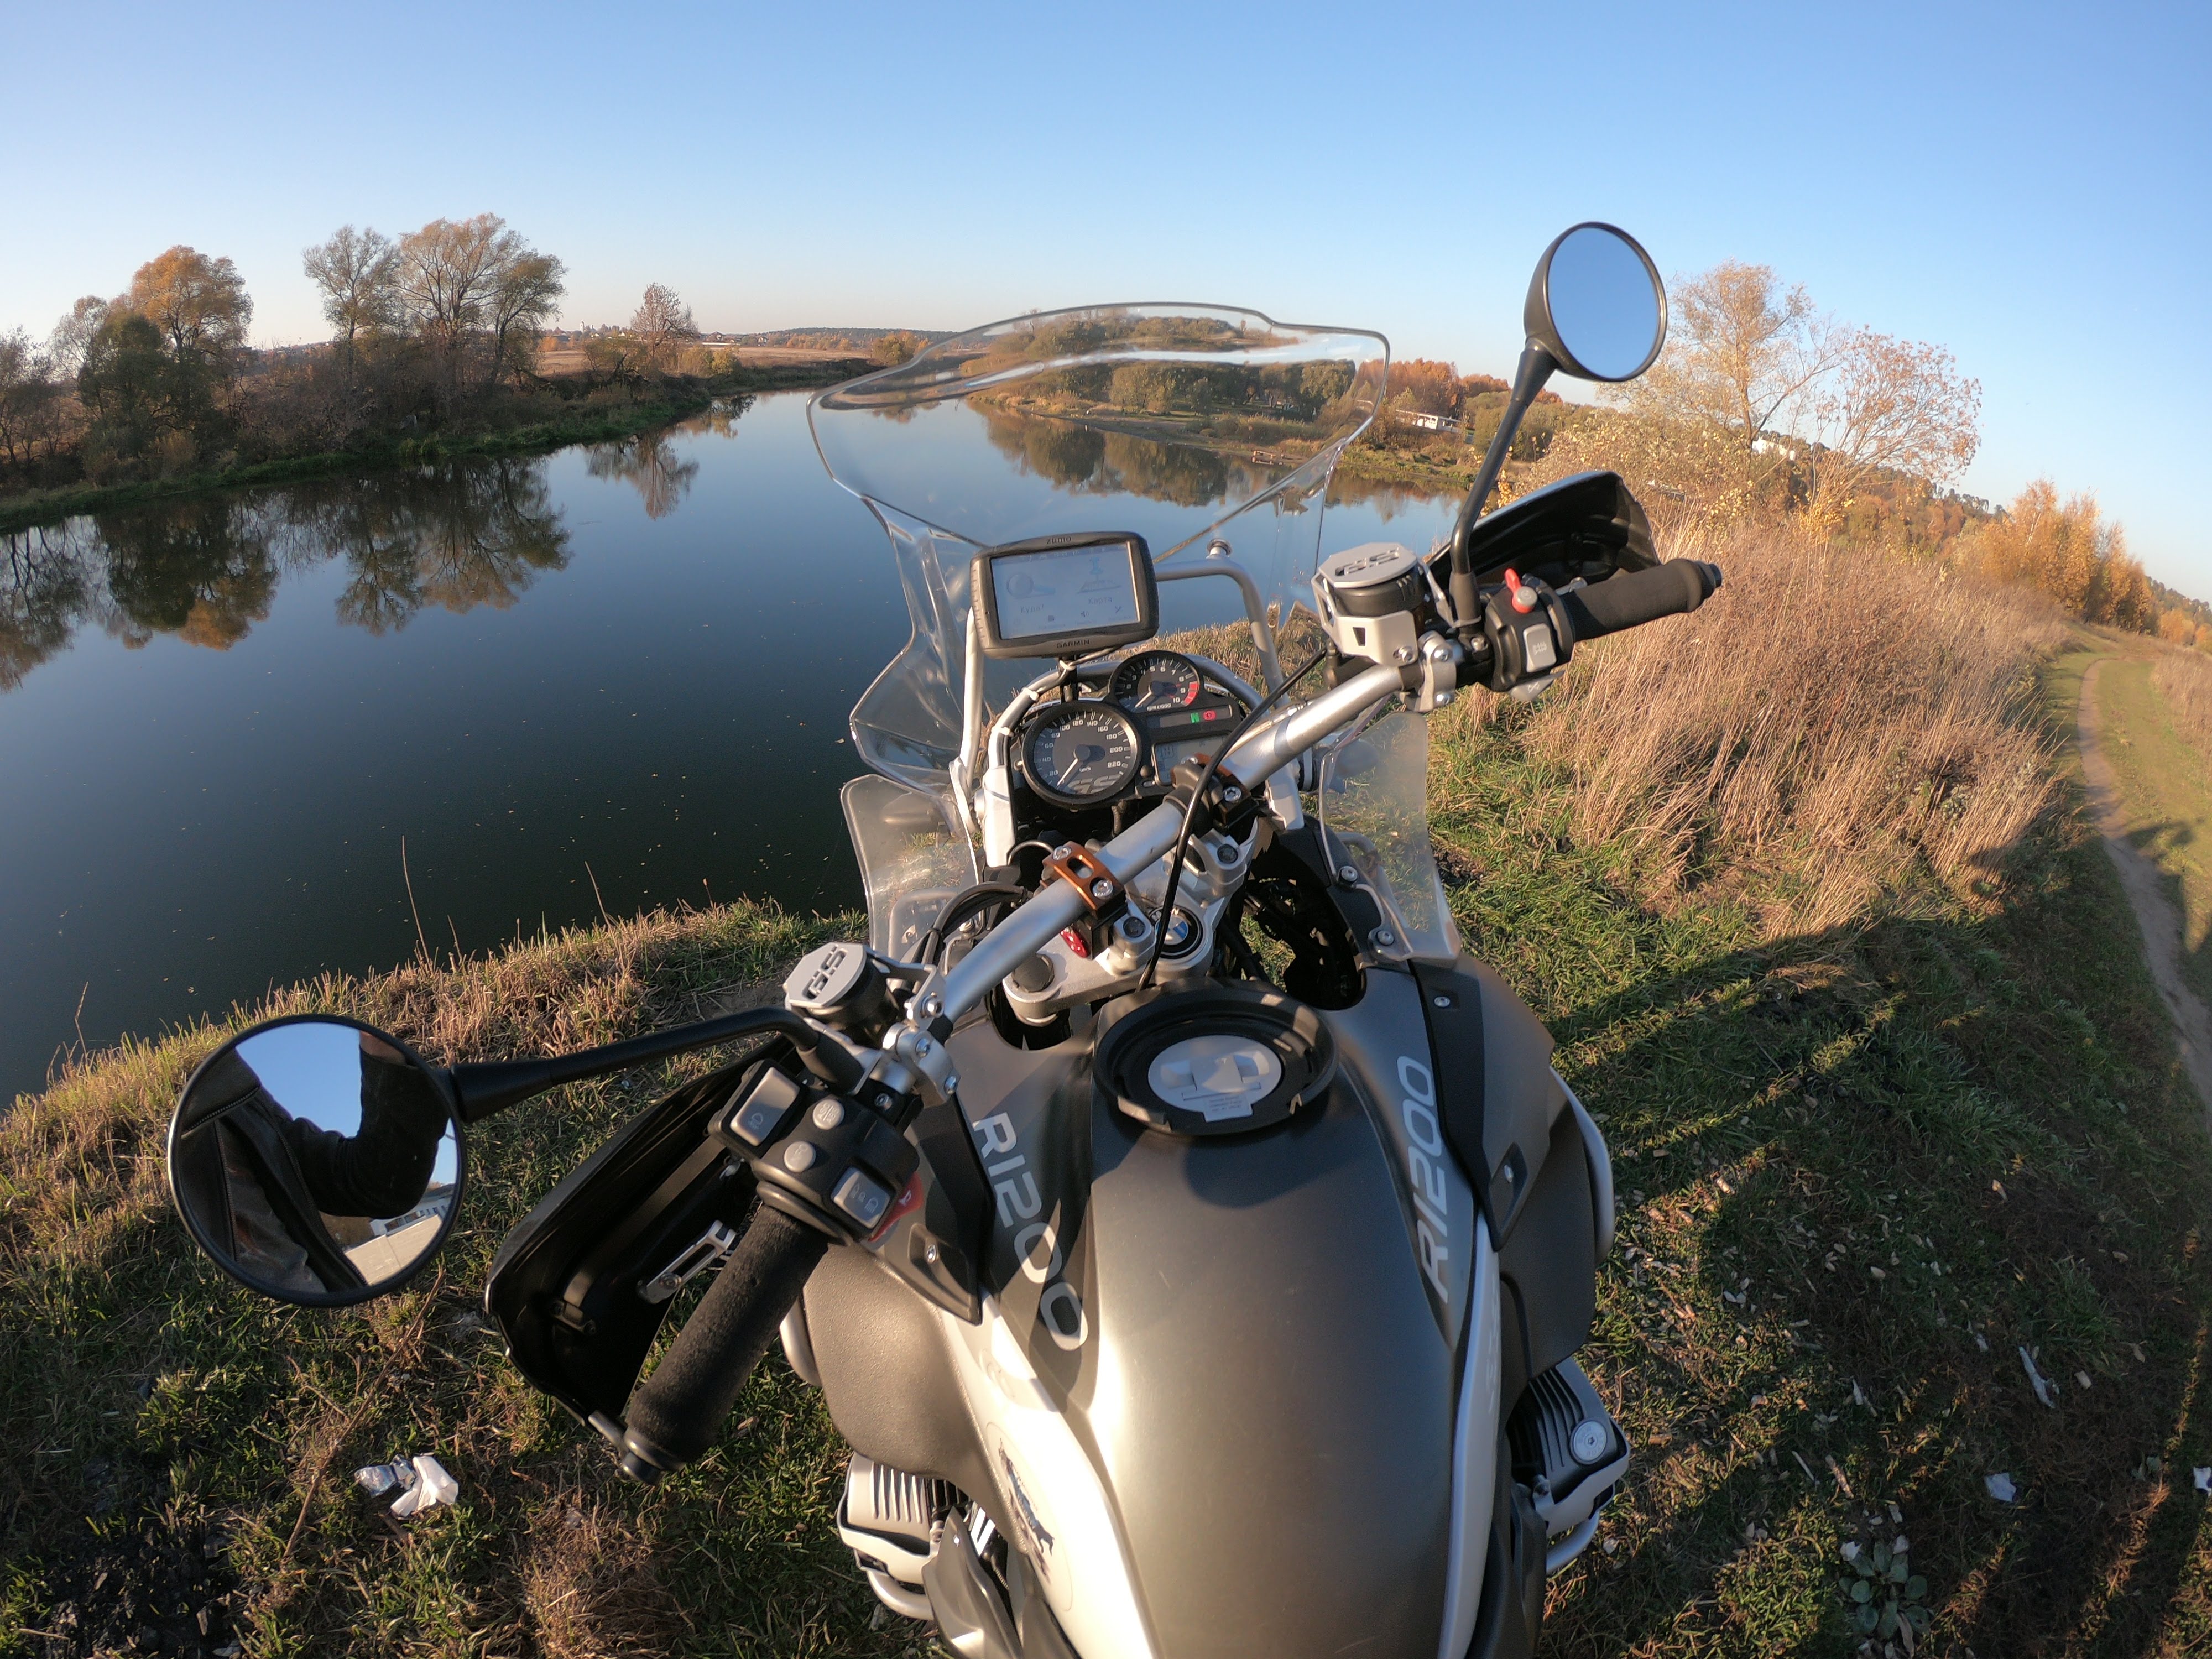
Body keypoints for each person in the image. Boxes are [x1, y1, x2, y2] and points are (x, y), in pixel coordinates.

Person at [171, 1030, 449, 1296]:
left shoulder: (229, 1088)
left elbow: (377, 1184)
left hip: (334, 1313)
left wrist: (385, 1059)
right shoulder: (181, 1115)